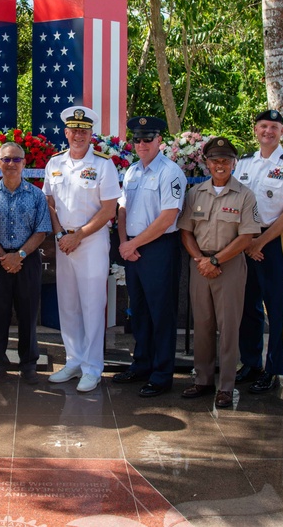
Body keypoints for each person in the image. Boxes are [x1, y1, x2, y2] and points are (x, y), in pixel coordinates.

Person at [43, 106, 121, 393]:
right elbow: (48, 203)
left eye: (83, 131)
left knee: (91, 305)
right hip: (63, 242)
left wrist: (78, 235)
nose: (78, 135)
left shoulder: (103, 164)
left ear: (91, 134)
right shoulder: (54, 163)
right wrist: (61, 234)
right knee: (68, 305)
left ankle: (92, 367)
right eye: (73, 130)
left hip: (91, 242)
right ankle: (73, 360)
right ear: (66, 132)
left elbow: (109, 209)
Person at [178, 137, 260, 408]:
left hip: (230, 265)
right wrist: (200, 259)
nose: (220, 165)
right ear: (207, 163)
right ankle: (202, 379)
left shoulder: (245, 195)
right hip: (200, 263)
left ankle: (226, 386)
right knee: (202, 324)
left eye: (226, 160)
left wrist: (215, 261)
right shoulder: (196, 193)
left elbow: (247, 235)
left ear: (234, 164)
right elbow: (186, 231)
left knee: (228, 327)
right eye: (215, 160)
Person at [111, 116, 187, 397]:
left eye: (147, 138)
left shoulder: (170, 172)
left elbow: (168, 217)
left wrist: (134, 244)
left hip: (159, 248)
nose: (141, 144)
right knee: (139, 311)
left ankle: (162, 374)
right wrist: (123, 242)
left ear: (159, 141)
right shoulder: (131, 171)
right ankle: (141, 364)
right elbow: (122, 209)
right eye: (137, 139)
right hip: (132, 248)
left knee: (161, 313)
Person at [234, 109, 283, 393]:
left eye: (274, 127)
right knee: (246, 305)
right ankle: (251, 362)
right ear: (255, 129)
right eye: (263, 126)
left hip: (272, 241)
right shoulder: (243, 163)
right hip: (243, 239)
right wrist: (246, 241)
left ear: (282, 132)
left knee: (276, 308)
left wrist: (260, 243)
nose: (268, 131)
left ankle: (274, 368)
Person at [0, 141, 52, 386]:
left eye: (16, 159)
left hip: (27, 261)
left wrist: (18, 256)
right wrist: (4, 257)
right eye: (6, 159)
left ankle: (28, 364)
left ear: (24, 163)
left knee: (28, 314)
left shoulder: (36, 195)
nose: (11, 164)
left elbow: (41, 230)